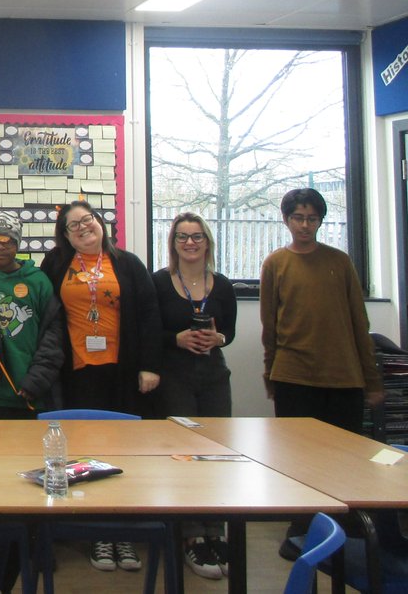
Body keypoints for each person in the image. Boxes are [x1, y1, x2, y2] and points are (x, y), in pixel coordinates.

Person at [260, 187, 383, 560]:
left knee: (344, 459)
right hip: (293, 376)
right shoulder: (276, 263)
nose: (304, 225)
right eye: (298, 217)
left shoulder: (340, 262)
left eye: (312, 218)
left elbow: (359, 323)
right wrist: (271, 374)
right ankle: (300, 530)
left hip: (344, 377)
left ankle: (343, 529)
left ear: (320, 221)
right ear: (286, 220)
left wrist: (372, 381)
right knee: (297, 461)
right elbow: (270, 325)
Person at [39, 200, 161, 574]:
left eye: (86, 220)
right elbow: (46, 315)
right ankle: (97, 534)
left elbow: (149, 315)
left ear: (100, 223)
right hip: (77, 371)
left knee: (123, 449)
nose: (81, 228)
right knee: (86, 450)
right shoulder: (56, 264)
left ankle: (122, 531)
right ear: (64, 236)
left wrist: (150, 366)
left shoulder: (128, 264)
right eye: (72, 226)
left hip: (121, 369)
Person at [154, 212, 236, 580]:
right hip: (175, 377)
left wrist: (217, 338)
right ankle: (191, 536)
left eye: (197, 236)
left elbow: (229, 332)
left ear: (207, 242)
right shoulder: (159, 282)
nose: (190, 243)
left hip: (214, 376)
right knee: (185, 455)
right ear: (173, 243)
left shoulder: (222, 285)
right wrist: (177, 338)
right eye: (182, 237)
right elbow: (150, 329)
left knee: (216, 454)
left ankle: (214, 530)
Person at [0, 211, 64, 417]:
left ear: (18, 244)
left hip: (33, 392)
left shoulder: (39, 281)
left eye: (8, 242)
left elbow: (54, 335)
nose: (0, 248)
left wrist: (37, 380)